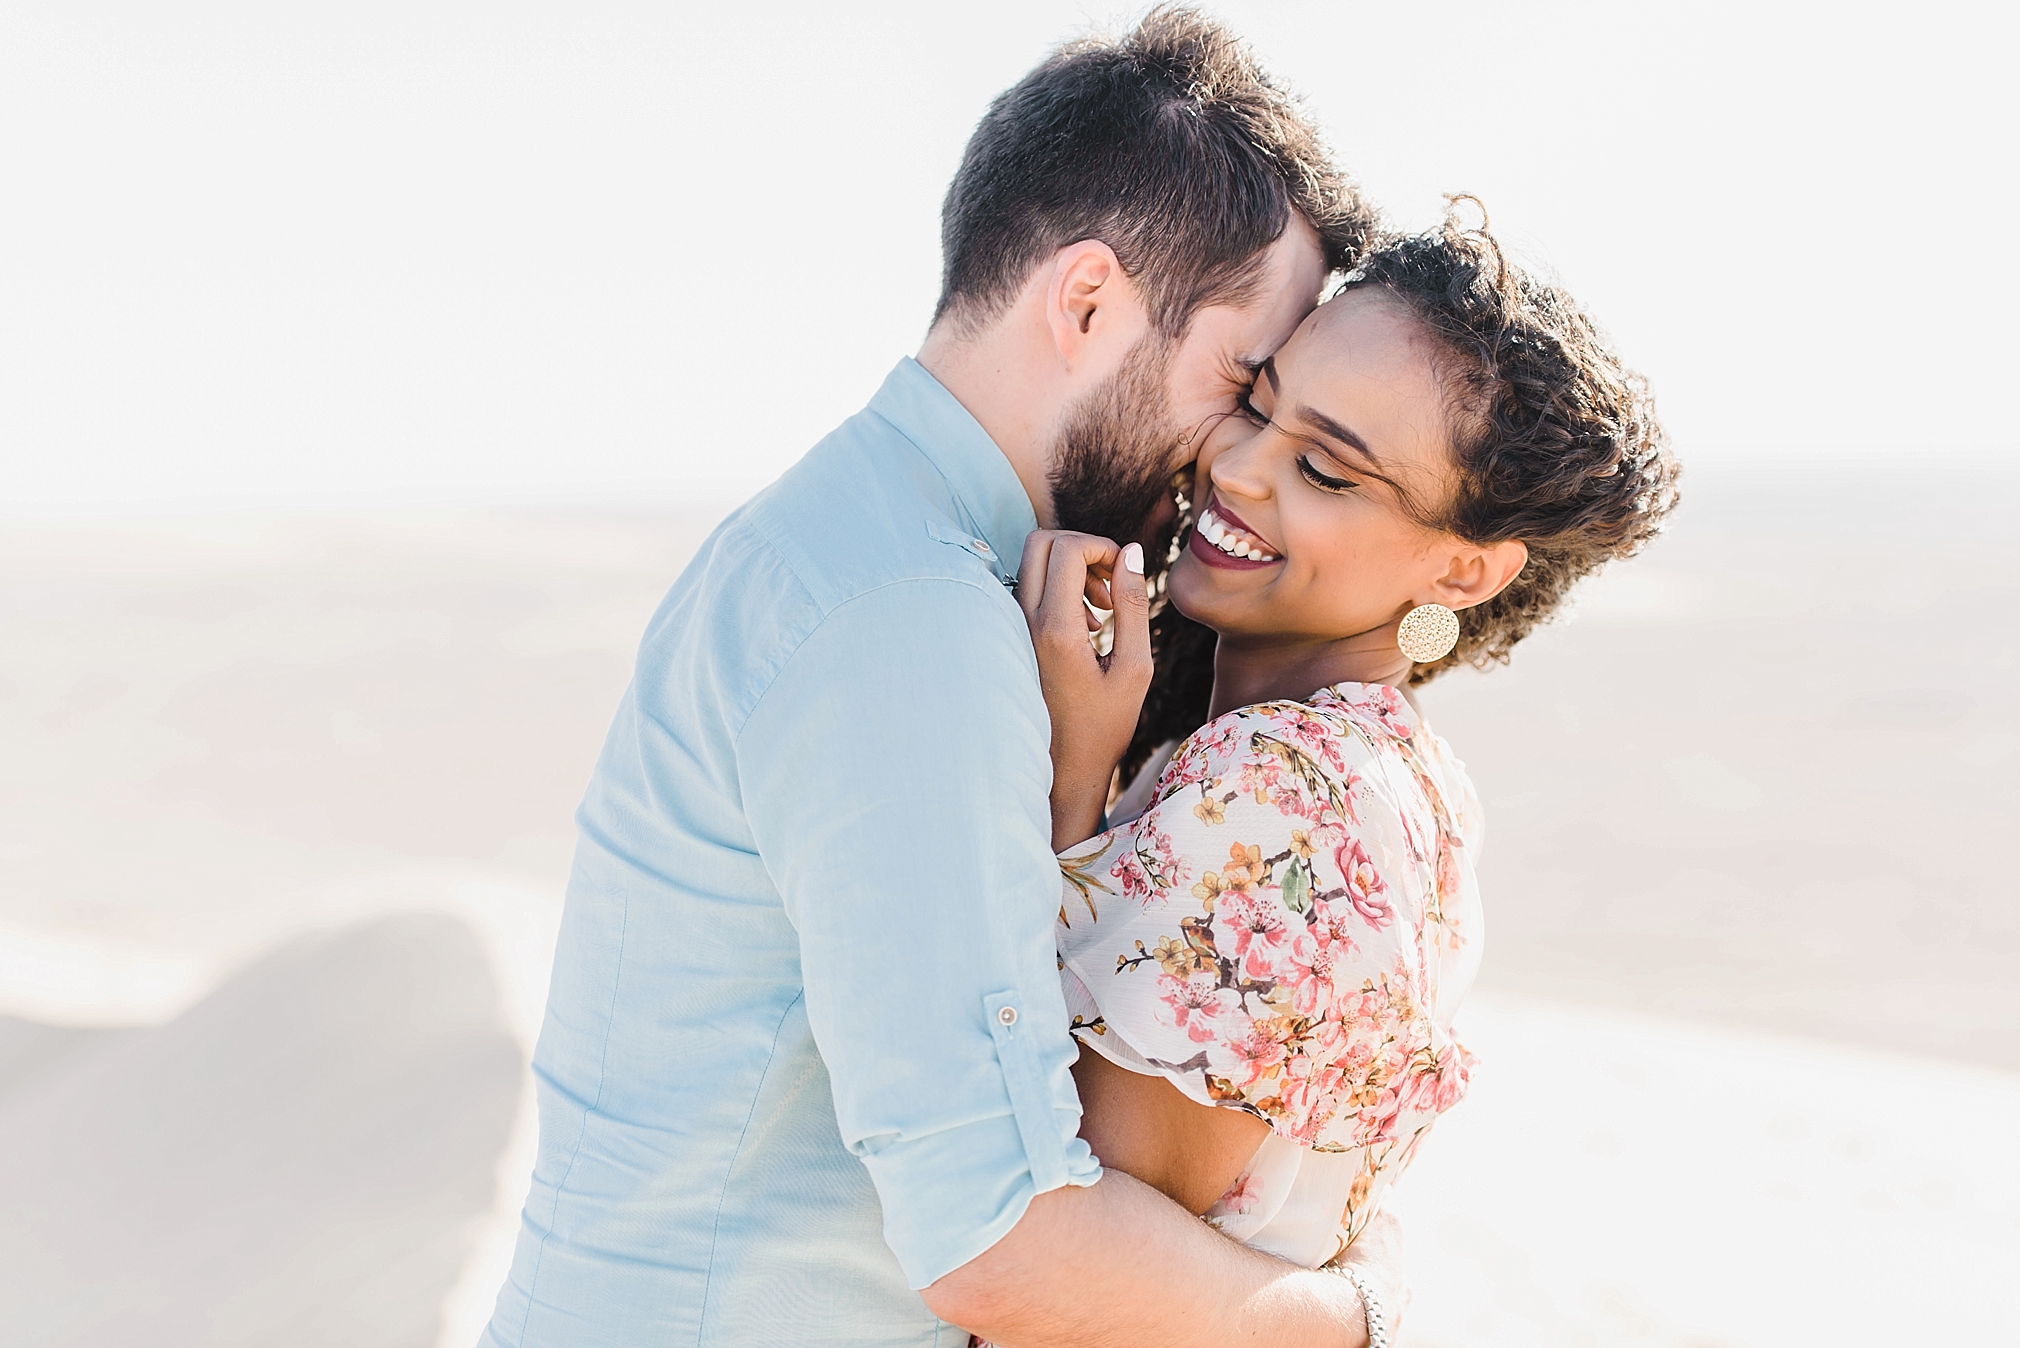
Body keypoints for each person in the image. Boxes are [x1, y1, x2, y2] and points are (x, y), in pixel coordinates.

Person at [480, 9, 1412, 1347]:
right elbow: (997, 1243)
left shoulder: (855, 544)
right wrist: (1360, 1314)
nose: (1230, 462)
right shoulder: (906, 618)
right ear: (1087, 301)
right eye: (1240, 380)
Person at [997, 210, 1679, 1344]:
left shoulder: (1270, 796)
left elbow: (1070, 1273)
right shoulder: (1404, 775)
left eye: (1323, 467)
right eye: (1257, 404)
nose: (1239, 468)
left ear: (1463, 569)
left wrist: (1067, 783)